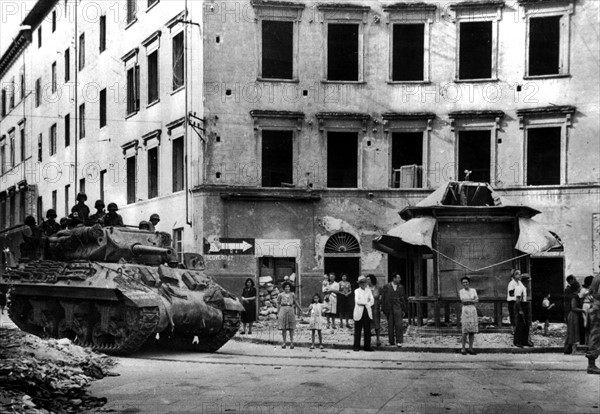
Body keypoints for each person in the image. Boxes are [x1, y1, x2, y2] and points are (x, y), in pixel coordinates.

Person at [381, 273, 408, 347]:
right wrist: (383, 309)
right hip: (389, 308)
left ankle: (399, 341)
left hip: (398, 307)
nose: (400, 279)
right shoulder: (386, 286)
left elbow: (403, 298)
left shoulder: (401, 287)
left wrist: (404, 309)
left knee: (399, 325)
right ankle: (391, 341)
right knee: (390, 325)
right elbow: (383, 298)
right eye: (398, 278)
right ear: (394, 278)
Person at [276, 282, 302, 349]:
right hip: (283, 309)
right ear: (284, 288)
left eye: (288, 287)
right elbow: (278, 304)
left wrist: (301, 310)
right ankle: (284, 342)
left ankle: (291, 342)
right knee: (283, 327)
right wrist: (278, 312)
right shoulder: (280, 295)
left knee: (291, 327)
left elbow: (296, 302)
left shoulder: (292, 294)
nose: (287, 288)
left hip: (290, 309)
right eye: (286, 287)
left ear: (290, 287)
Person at [353, 275, 374, 352]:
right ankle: (356, 346)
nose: (363, 284)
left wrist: (367, 304)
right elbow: (358, 301)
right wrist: (366, 303)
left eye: (364, 282)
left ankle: (367, 347)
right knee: (358, 330)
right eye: (361, 283)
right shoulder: (356, 291)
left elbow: (372, 300)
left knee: (367, 330)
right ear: (359, 284)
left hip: (367, 311)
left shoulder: (368, 291)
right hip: (359, 312)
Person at [564, 282, 586, 354]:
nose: (580, 288)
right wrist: (583, 310)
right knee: (574, 331)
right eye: (579, 287)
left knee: (572, 331)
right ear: (577, 288)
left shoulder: (573, 296)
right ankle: (574, 350)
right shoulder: (574, 296)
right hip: (574, 315)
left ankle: (569, 349)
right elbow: (574, 307)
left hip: (572, 315)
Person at [585, 272, 600, 374]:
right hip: (598, 308)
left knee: (595, 335)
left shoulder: (597, 277)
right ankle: (591, 365)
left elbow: (590, 293)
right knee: (596, 336)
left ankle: (591, 364)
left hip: (595, 307)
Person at [459, 276, 479, 355]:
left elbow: (477, 300)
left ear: (469, 283)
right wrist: (472, 300)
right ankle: (463, 348)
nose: (465, 284)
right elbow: (463, 301)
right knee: (465, 330)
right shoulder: (461, 291)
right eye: (463, 283)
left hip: (473, 310)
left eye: (466, 282)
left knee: (472, 330)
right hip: (466, 310)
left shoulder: (473, 290)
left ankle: (470, 348)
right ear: (462, 284)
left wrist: (469, 300)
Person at [513, 272, 533, 347]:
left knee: (526, 324)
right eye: (527, 281)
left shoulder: (524, 288)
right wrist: (520, 310)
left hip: (524, 305)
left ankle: (524, 341)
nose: (528, 282)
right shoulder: (519, 287)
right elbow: (517, 300)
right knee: (519, 324)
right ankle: (517, 341)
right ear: (525, 281)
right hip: (520, 305)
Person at [367, 274, 382, 347]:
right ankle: (368, 340)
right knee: (368, 323)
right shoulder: (366, 288)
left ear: (372, 280)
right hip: (368, 308)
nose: (367, 280)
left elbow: (380, 297)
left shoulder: (378, 288)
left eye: (369, 279)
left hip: (376, 308)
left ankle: (378, 339)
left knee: (376, 323)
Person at [507, 270, 520, 334]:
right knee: (513, 316)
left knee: (517, 316)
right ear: (515, 275)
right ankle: (513, 329)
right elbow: (511, 293)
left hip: (518, 301)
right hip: (512, 302)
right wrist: (518, 290)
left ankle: (518, 329)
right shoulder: (511, 283)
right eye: (518, 274)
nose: (519, 276)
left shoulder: (519, 282)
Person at [582, 275, 594, 344]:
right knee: (586, 323)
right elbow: (582, 295)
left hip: (590, 305)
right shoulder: (584, 290)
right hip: (586, 305)